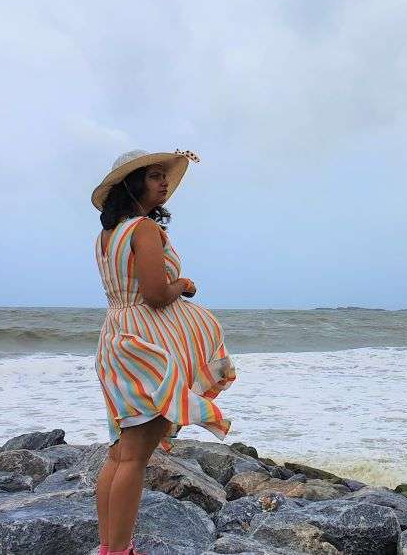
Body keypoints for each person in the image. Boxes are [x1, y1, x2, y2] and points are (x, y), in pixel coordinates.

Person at [90, 149, 237, 555]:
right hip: (147, 341)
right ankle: (119, 550)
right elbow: (155, 295)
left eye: (164, 176)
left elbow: (129, 292)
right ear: (132, 184)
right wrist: (184, 286)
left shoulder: (107, 236)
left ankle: (108, 546)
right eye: (154, 176)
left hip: (117, 335)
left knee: (120, 453)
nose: (164, 182)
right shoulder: (144, 230)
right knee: (134, 457)